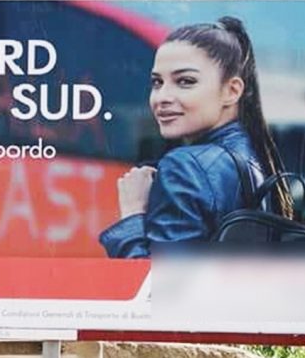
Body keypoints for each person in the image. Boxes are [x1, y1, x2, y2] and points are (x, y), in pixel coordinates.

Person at [98, 16, 293, 258]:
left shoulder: (184, 166)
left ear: (231, 91)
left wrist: (132, 215)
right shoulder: (257, 156)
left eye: (185, 81)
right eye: (157, 82)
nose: (162, 97)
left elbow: (158, 291)